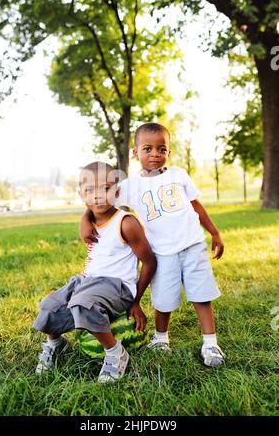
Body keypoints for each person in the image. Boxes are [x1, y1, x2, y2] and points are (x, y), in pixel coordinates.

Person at [81, 123, 225, 367]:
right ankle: (161, 338)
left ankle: (210, 344)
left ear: (169, 152)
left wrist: (214, 232)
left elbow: (196, 205)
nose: (155, 154)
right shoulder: (129, 186)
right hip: (162, 252)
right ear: (136, 152)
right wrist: (85, 219)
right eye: (148, 148)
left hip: (193, 246)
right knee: (163, 299)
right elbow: (101, 199)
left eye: (162, 149)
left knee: (201, 295)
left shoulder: (178, 175)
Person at [33, 161, 157, 382]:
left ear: (116, 192)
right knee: (49, 307)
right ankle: (56, 344)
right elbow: (92, 210)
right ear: (81, 194)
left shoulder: (126, 223)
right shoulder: (89, 222)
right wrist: (84, 217)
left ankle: (115, 353)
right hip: (87, 281)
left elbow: (149, 262)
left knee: (83, 304)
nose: (98, 195)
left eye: (106, 188)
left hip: (117, 285)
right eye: (90, 190)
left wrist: (135, 301)